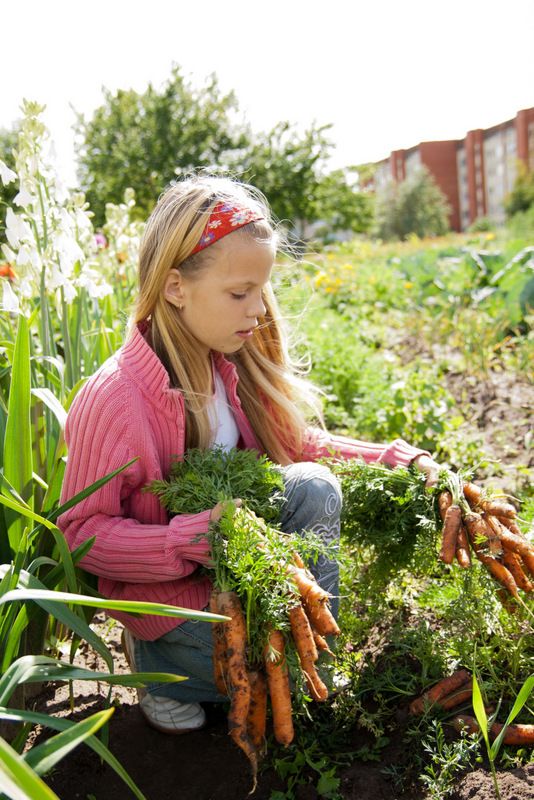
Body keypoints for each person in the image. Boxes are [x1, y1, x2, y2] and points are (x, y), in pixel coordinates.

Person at [58, 174, 439, 735]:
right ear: (174, 287)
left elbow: (297, 448)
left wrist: (392, 460)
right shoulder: (115, 399)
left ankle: (312, 651)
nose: (258, 309)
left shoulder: (226, 362)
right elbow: (81, 535)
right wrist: (189, 538)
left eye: (261, 290)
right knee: (259, 669)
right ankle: (160, 665)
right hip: (173, 603)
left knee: (312, 485)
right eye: (240, 293)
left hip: (240, 576)